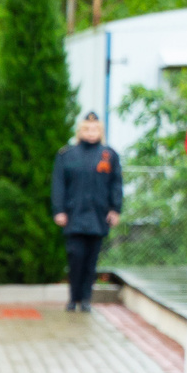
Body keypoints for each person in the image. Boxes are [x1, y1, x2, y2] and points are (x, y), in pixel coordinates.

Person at [52, 111, 122, 312]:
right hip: (74, 216)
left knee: (91, 260)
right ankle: (73, 298)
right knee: (75, 258)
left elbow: (116, 184)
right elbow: (59, 185)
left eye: (95, 129)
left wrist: (115, 209)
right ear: (80, 131)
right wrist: (59, 210)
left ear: (100, 131)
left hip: (98, 217)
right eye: (87, 129)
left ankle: (86, 300)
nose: (91, 133)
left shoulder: (109, 155)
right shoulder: (67, 155)